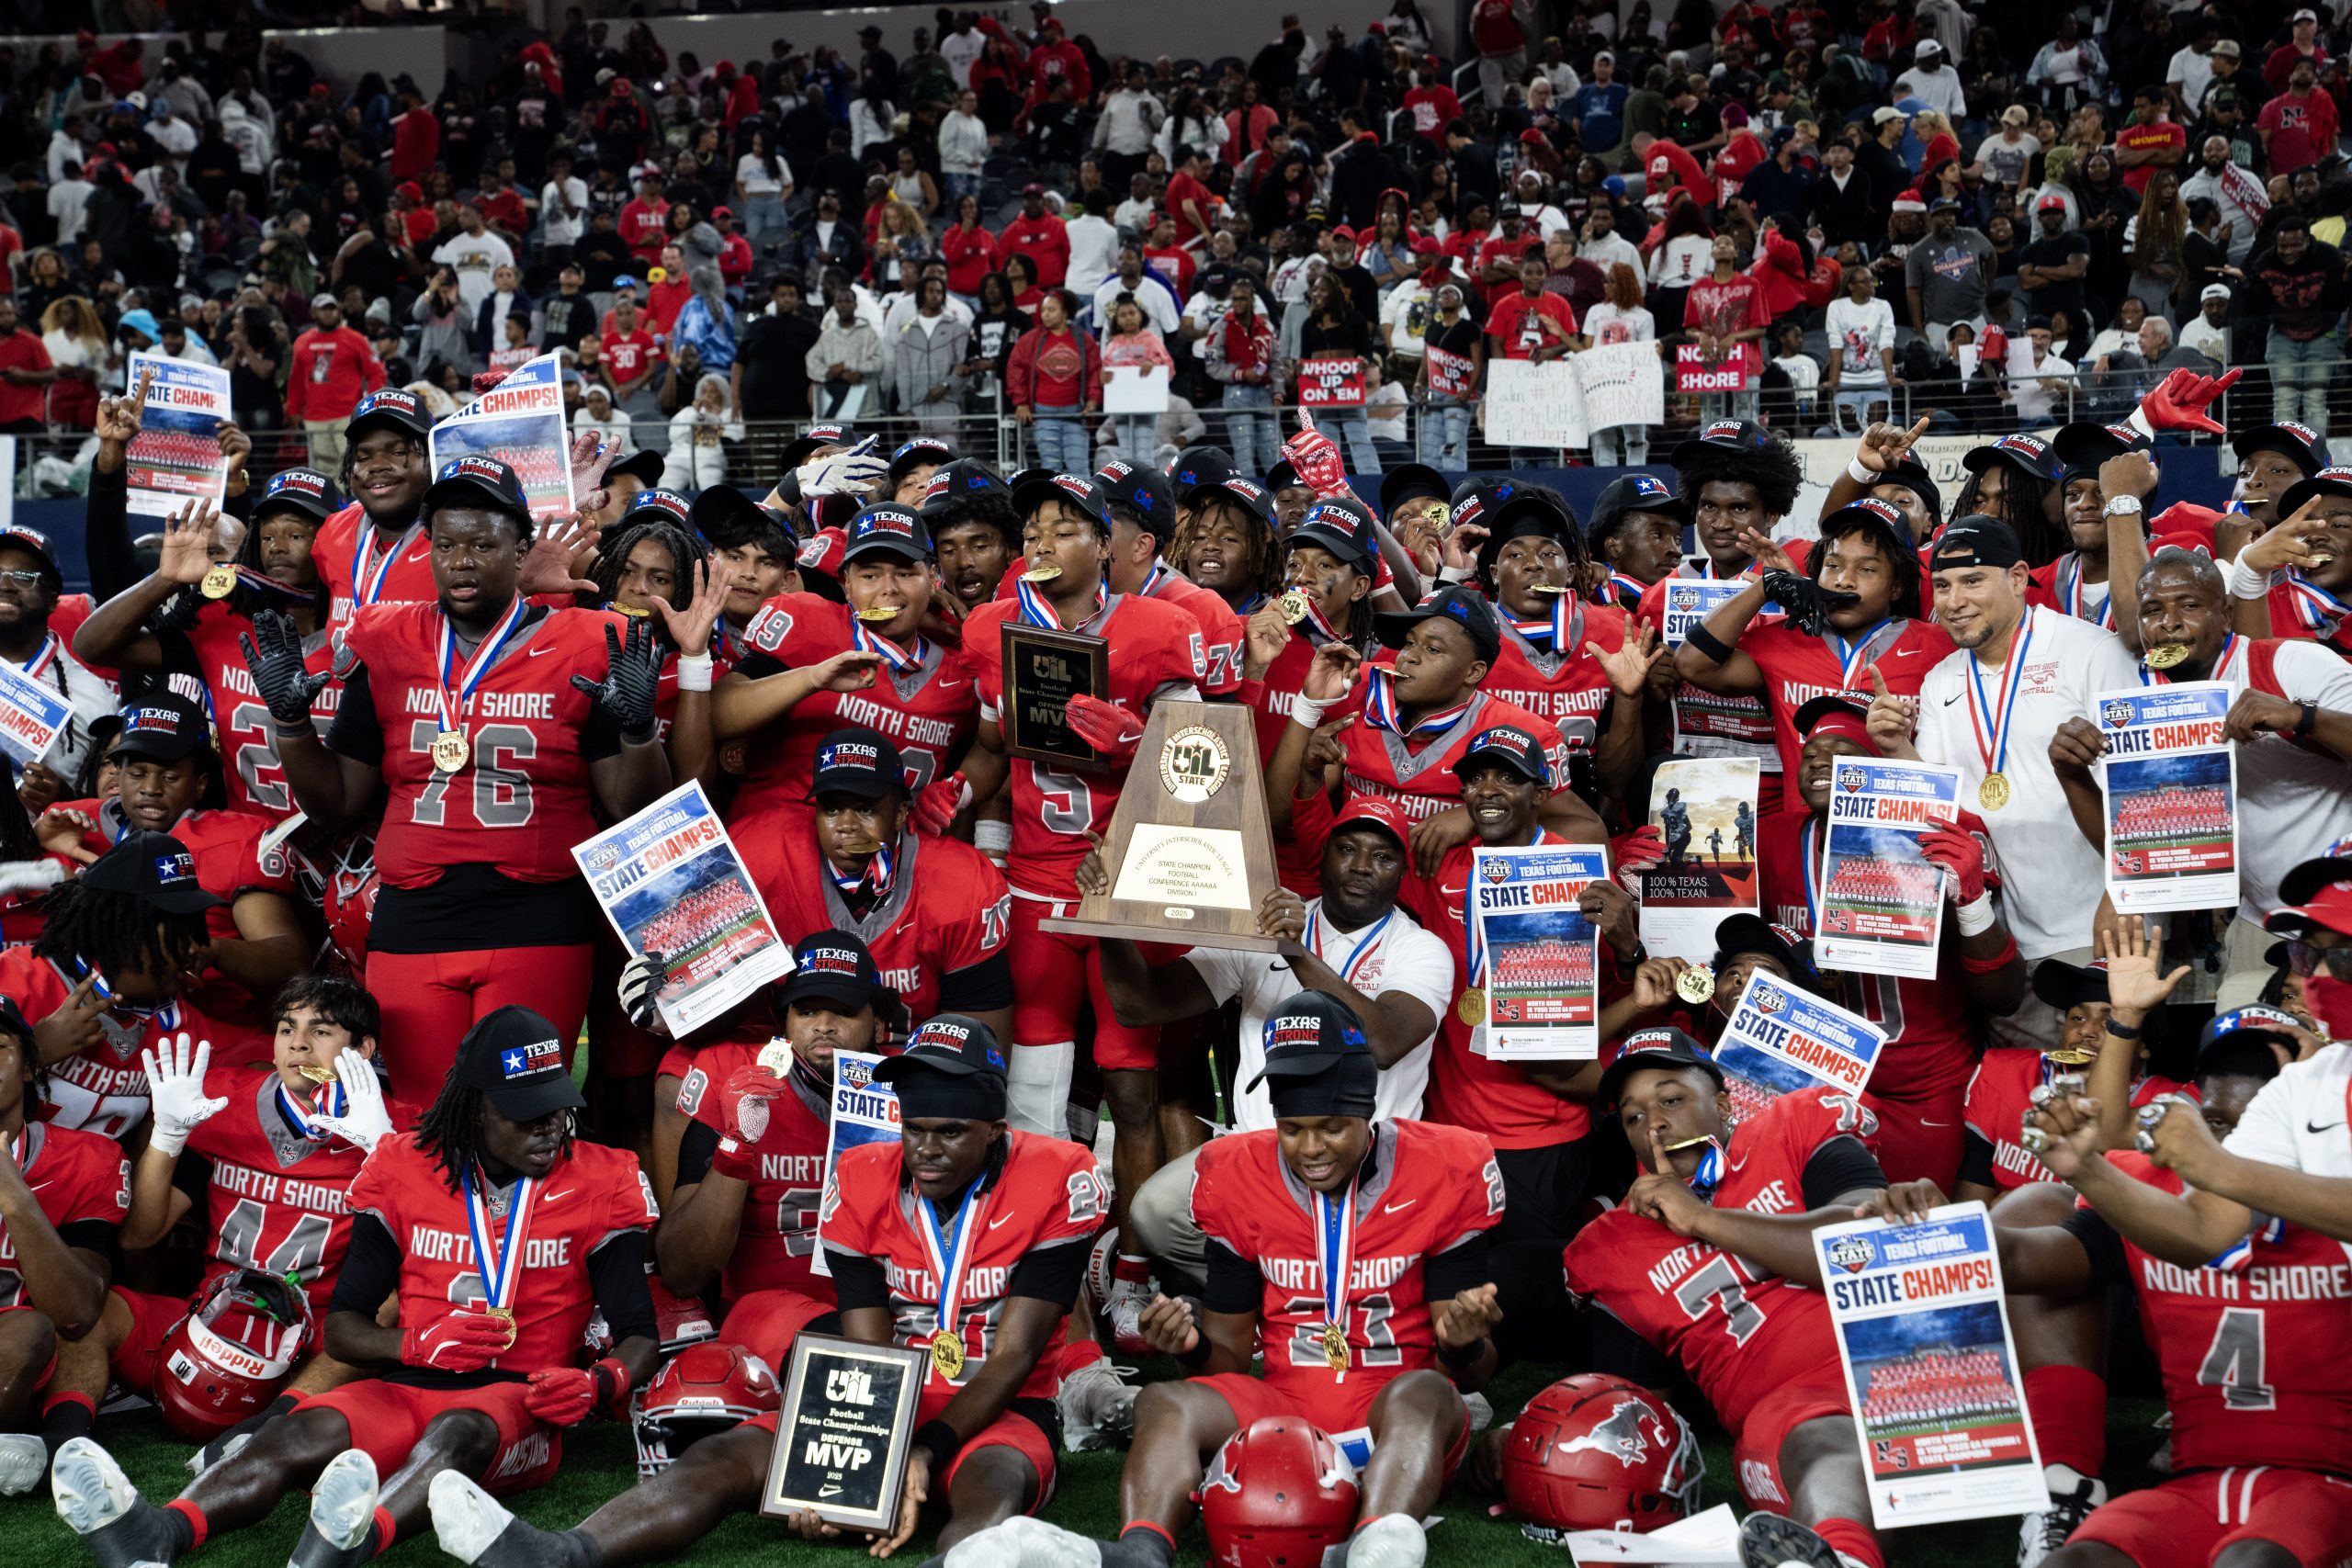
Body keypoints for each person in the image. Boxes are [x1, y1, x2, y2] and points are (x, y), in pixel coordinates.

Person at [427, 1013, 1102, 1568]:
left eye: (950, 1133)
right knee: (725, 1454)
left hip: (1000, 1408)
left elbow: (1016, 1352)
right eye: (914, 1129)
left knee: (993, 1485)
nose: (925, 1151)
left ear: (995, 1130)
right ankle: (562, 1553)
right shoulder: (864, 1174)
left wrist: (924, 1451)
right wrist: (849, 1461)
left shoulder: (1058, 1175)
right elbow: (866, 1357)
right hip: (893, 1399)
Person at [50, 1007, 660, 1568]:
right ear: (476, 1105)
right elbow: (344, 1327)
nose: (550, 1128)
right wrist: (415, 1345)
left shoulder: (603, 1177)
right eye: (526, 1113)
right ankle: (159, 1534)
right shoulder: (403, 1166)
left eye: (557, 1107)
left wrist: (599, 1379)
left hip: (520, 1400)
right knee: (296, 1432)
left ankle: (350, 1543)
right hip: (409, 1383)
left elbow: (639, 1332)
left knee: (460, 1432)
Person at [963, 990, 1504, 1568]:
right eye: (1292, 1129)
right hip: (1284, 1408)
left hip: (1393, 1410)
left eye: (1332, 1128)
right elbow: (1226, 1358)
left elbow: (1470, 1373)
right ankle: (1141, 1551)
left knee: (1423, 1391)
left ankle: (1381, 1544)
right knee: (1165, 1402)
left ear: (1366, 1111)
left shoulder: (1444, 1167)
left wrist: (1462, 1339)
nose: (1311, 1148)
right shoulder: (1238, 1175)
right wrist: (1189, 1347)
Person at [247, 455, 672, 1101]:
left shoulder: (588, 640)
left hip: (538, 912)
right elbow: (337, 798)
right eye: (444, 544)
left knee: (519, 1112)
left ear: (520, 547)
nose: (461, 560)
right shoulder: (385, 638)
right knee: (423, 1115)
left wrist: (639, 730)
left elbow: (627, 802)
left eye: (481, 543)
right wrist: (291, 723)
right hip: (415, 913)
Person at [1562, 1028, 1896, 1568]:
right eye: (1633, 1116)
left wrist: (1703, 1220)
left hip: (1910, 1361)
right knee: (1828, 1449)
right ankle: (1841, 1557)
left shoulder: (1793, 1125)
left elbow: (1867, 1251)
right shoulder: (1613, 1247)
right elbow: (1638, 1407)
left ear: (1722, 1103)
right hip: (1795, 1414)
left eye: (1671, 1099)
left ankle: (2063, 1487)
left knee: (2039, 1214)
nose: (1656, 1124)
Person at [937, 470, 1206, 1134]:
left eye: (1064, 529)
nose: (1043, 542)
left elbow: (1201, 772)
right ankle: (1051, 1227)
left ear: (1105, 545)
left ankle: (1136, 1240)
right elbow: (994, 747)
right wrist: (958, 789)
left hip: (1127, 880)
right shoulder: (991, 628)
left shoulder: (1160, 626)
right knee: (1031, 1082)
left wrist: (1141, 742)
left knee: (1129, 1078)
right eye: (1032, 532)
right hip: (1035, 881)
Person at [0, 996, 125, 1496]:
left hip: (13, 1359)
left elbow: (76, 1312)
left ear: (30, 1066)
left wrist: (13, 1194)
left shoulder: (89, 1159)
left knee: (30, 1329)